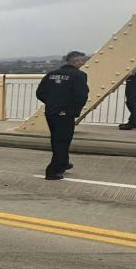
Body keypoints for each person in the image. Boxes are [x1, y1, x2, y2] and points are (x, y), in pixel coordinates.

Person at [35, 51, 89, 180]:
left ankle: (63, 162)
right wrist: (72, 110)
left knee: (56, 139)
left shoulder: (51, 74)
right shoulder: (79, 75)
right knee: (63, 140)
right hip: (65, 114)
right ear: (75, 61)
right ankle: (53, 171)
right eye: (82, 60)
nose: (84, 63)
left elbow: (40, 93)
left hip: (51, 112)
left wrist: (52, 103)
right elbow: (82, 95)